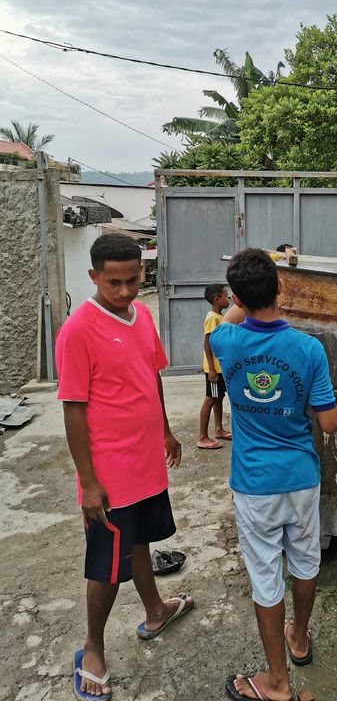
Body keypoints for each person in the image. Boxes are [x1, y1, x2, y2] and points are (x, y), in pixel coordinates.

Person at [56, 233, 193, 701]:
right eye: (114, 282)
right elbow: (73, 408)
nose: (126, 291)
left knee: (141, 541)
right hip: (109, 474)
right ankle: (92, 648)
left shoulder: (142, 315)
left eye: (134, 280)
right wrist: (89, 483)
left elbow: (149, 374)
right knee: (107, 566)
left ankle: (155, 610)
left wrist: (166, 431)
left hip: (145, 462)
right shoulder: (77, 330)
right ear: (94, 276)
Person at [210, 248, 337, 701]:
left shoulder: (225, 343)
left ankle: (277, 682)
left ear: (237, 298)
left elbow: (227, 321)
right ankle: (299, 638)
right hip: (301, 476)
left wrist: (239, 303)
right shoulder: (309, 348)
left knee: (266, 576)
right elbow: (329, 423)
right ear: (280, 288)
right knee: (305, 561)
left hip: (254, 483)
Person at [198, 283, 231, 449]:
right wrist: (211, 368)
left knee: (219, 397)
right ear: (217, 300)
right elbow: (208, 343)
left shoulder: (220, 317)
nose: (229, 298)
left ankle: (219, 429)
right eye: (226, 296)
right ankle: (202, 437)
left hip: (220, 368)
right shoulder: (212, 317)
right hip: (214, 369)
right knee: (211, 399)